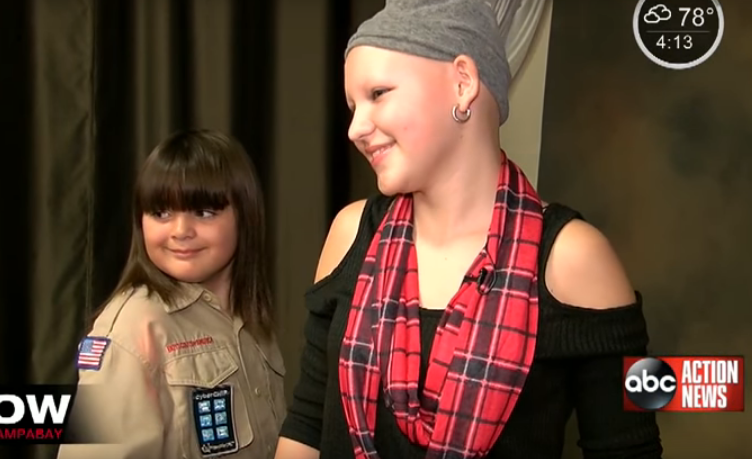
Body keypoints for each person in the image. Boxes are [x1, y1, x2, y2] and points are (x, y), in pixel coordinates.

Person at [275, 1, 663, 458]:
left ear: (463, 83)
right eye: (352, 106)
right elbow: (306, 424)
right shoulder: (351, 231)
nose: (356, 128)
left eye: (378, 93)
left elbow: (627, 450)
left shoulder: (573, 258)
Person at [57, 129, 286, 459]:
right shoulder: (132, 328)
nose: (180, 231)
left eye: (203, 212)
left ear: (245, 215)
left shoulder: (249, 315)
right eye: (161, 213)